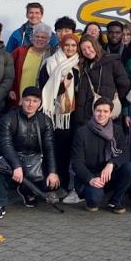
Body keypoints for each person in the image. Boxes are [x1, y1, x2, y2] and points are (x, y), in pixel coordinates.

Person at [0, 86, 60, 220]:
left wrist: (52, 171)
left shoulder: (45, 121)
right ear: (21, 101)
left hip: (35, 160)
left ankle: (27, 191)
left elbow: (49, 148)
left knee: (50, 183)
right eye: (27, 100)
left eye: (35, 101)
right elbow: (6, 145)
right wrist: (16, 166)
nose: (30, 104)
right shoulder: (8, 119)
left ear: (40, 103)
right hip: (11, 159)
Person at [70, 98, 131, 213]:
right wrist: (90, 179)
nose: (101, 114)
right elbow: (77, 162)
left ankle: (115, 200)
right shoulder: (82, 132)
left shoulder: (117, 130)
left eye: (105, 111)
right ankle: (93, 197)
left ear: (110, 113)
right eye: (98, 110)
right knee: (95, 200)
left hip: (109, 174)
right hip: (90, 175)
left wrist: (112, 164)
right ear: (93, 111)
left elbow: (125, 153)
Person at [38, 34, 80, 192]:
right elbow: (43, 87)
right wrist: (62, 86)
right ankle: (47, 182)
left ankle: (61, 184)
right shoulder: (50, 63)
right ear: (61, 46)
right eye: (67, 45)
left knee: (64, 150)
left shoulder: (77, 65)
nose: (70, 48)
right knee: (49, 147)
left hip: (68, 116)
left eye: (73, 46)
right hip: (50, 112)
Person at [74, 35, 130, 139]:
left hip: (107, 111)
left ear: (95, 46)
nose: (87, 51)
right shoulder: (84, 66)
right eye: (84, 50)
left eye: (89, 47)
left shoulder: (112, 62)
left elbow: (124, 84)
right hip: (88, 113)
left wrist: (113, 97)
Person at [9, 23, 52, 109]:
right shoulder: (20, 52)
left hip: (40, 102)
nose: (40, 39)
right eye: (37, 36)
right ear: (32, 37)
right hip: (19, 99)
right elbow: (8, 72)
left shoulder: (51, 56)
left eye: (43, 37)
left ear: (48, 40)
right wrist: (10, 89)